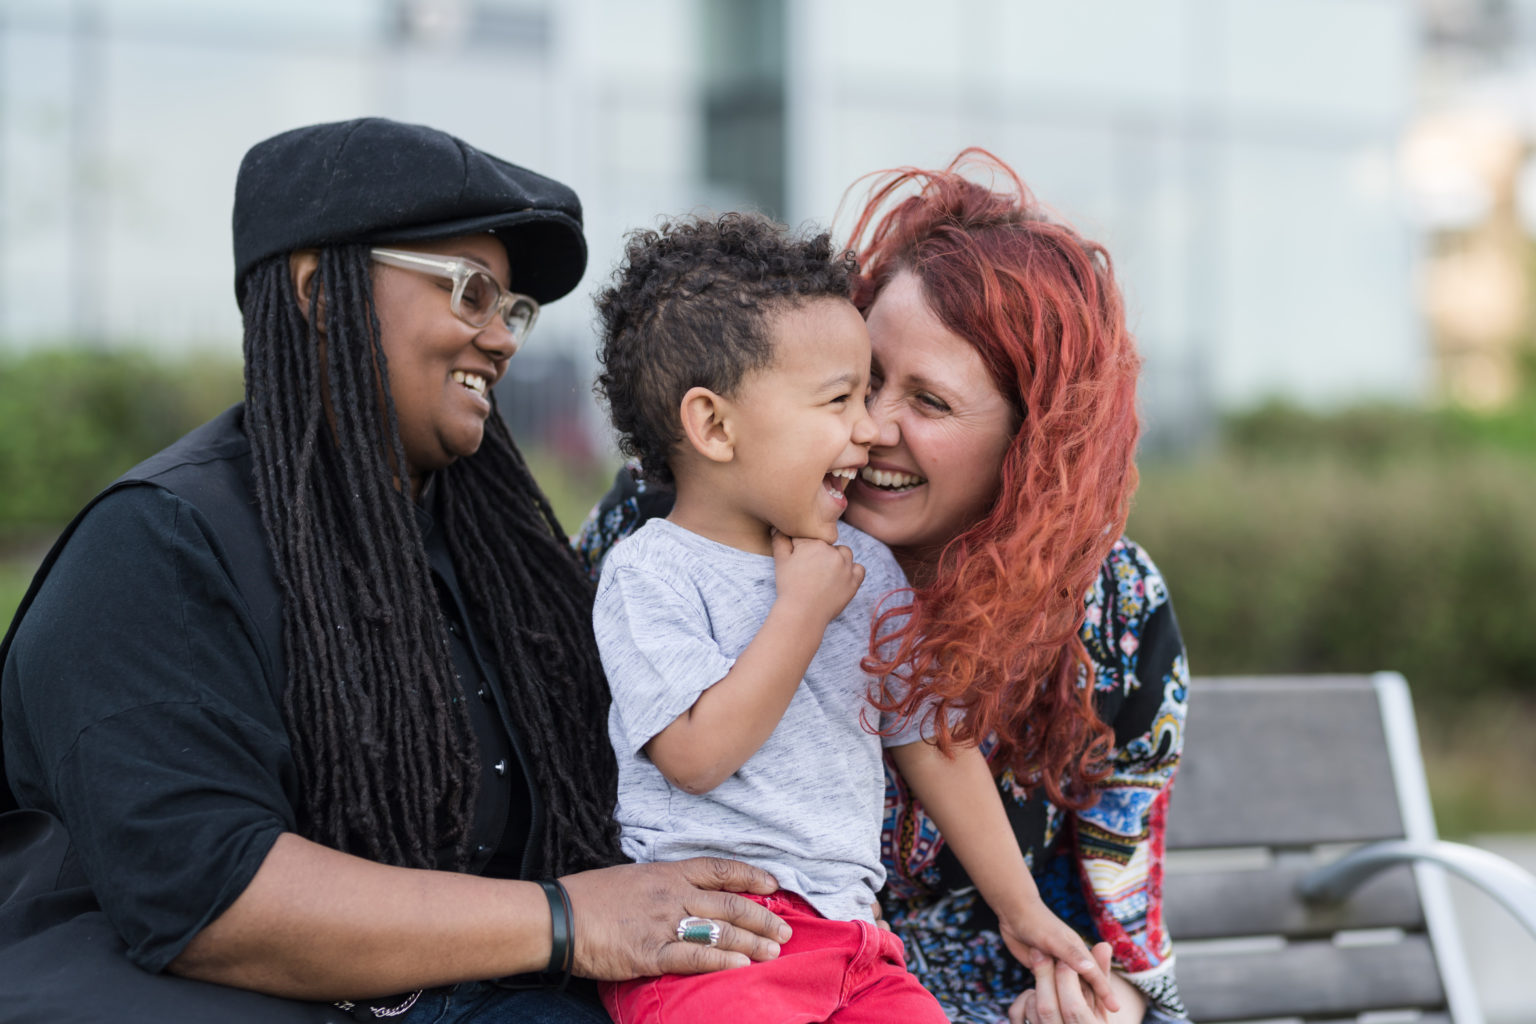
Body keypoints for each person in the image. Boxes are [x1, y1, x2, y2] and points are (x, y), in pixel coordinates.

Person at [0, 117, 791, 1024]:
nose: (502, 339)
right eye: (470, 291)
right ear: (319, 292)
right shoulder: (158, 544)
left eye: (513, 310)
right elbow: (209, 895)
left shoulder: (497, 552)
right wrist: (567, 916)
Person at [577, 152, 1190, 1024]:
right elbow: (679, 757)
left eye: (929, 403)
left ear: (1032, 440)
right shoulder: (656, 538)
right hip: (720, 951)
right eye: (858, 388)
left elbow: (942, 746)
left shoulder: (1094, 603)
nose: (871, 431)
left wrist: (1069, 964)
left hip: (875, 967)